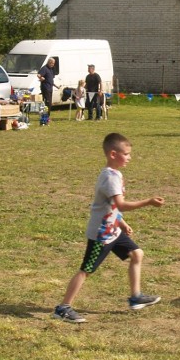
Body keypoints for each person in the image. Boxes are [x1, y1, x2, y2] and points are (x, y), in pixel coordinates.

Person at [53, 132, 165, 323]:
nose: (130, 157)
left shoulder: (116, 174)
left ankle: (135, 297)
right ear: (113, 154)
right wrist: (148, 202)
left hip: (113, 230)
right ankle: (63, 308)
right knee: (86, 269)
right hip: (102, 235)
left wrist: (121, 223)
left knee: (137, 254)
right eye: (126, 154)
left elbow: (111, 207)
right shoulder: (110, 177)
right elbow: (120, 204)